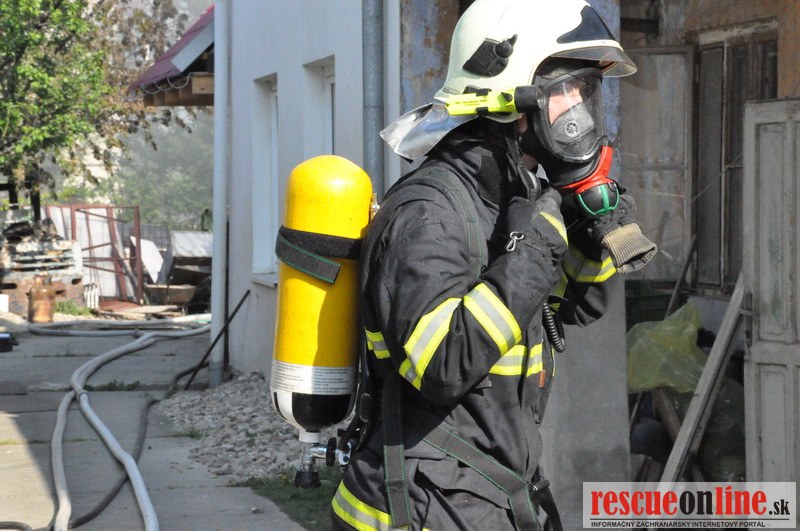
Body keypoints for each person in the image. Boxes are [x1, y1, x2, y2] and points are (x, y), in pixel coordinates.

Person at [331, 1, 654, 529]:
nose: (578, 106)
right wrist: (538, 249)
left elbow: (573, 307)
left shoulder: (509, 198)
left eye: (586, 90)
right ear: (513, 102)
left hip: (483, 492)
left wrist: (589, 234)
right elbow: (441, 364)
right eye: (566, 89)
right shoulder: (428, 212)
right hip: (420, 505)